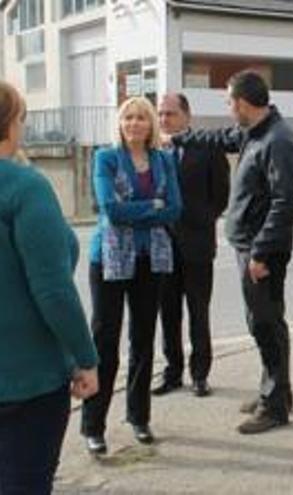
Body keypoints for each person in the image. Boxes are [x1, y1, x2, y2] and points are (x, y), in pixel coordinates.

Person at [172, 70, 293, 434]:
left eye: (229, 102)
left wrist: (261, 252)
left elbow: (285, 202)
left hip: (263, 251)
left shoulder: (278, 140)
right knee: (262, 322)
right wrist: (180, 138)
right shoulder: (253, 132)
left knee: (266, 324)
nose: (228, 109)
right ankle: (275, 393)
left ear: (243, 103)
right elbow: (218, 137)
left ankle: (274, 406)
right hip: (249, 244)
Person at [0, 82, 99, 495]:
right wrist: (85, 358)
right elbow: (53, 291)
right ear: (9, 124)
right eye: (22, 119)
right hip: (26, 380)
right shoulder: (24, 187)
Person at [81, 96, 182, 455]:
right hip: (109, 259)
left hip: (149, 259)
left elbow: (174, 209)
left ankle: (139, 417)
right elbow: (110, 209)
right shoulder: (105, 158)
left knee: (143, 340)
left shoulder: (163, 159)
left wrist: (140, 210)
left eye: (142, 117)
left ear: (151, 124)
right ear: (120, 123)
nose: (135, 123)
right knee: (104, 343)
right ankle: (93, 425)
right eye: (128, 118)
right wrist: (152, 206)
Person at [153, 93, 230, 398]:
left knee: (199, 312)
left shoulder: (205, 147)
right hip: (163, 246)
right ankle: (172, 373)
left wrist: (202, 220)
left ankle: (200, 374)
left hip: (197, 244)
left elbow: (221, 193)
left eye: (170, 114)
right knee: (168, 313)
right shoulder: (155, 150)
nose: (163, 120)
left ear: (186, 115)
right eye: (160, 114)